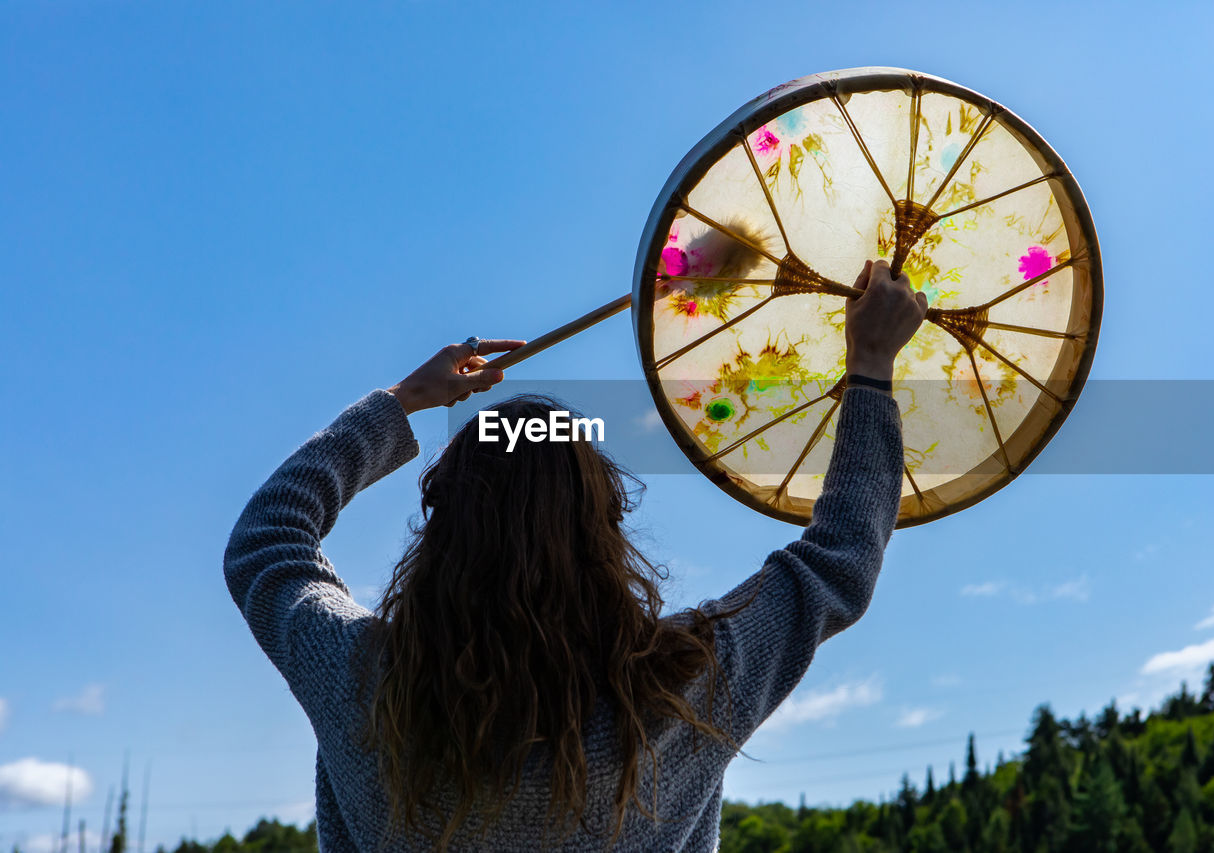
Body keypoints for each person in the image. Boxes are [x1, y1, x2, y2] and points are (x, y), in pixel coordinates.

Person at [223, 259, 927, 852]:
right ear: (605, 526)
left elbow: (266, 542)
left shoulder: (361, 679)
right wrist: (870, 367)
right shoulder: (682, 685)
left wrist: (403, 401)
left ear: (440, 524)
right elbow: (839, 559)